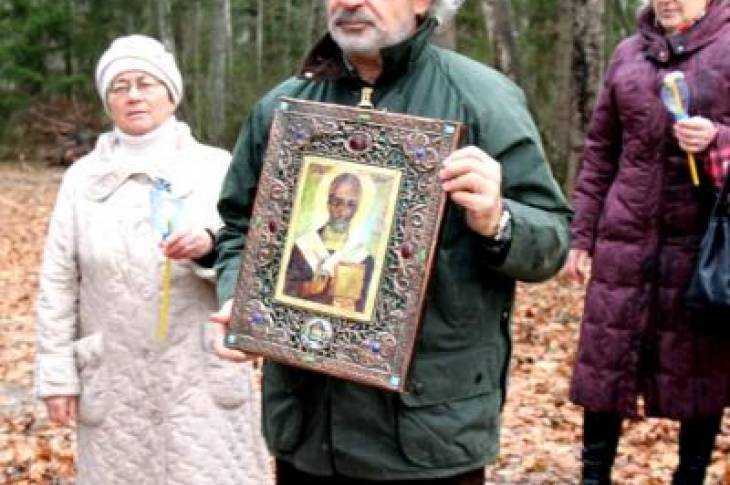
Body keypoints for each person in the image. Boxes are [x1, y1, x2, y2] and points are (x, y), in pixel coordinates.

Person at [210, 0, 571, 483]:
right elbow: (239, 226)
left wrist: (497, 219)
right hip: (307, 430)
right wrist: (239, 296)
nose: (350, 3)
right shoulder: (285, 107)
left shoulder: (481, 99)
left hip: (427, 434)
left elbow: (551, 239)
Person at [35, 35, 271, 484]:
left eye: (145, 83)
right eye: (119, 86)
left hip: (202, 379)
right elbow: (58, 283)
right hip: (114, 380)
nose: (133, 95)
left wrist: (208, 245)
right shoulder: (81, 180)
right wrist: (57, 377)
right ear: (107, 100)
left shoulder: (216, 166)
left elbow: (256, 257)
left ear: (171, 93)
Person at [565, 1, 730, 483]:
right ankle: (593, 476)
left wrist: (719, 138)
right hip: (625, 240)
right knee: (605, 364)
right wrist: (582, 235)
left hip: (703, 246)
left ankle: (691, 477)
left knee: (701, 374)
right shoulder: (627, 53)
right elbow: (601, 151)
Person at [283, 172, 375, 313]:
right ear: (327, 203)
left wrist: (351, 307)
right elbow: (283, 289)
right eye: (337, 202)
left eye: (350, 205)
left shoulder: (364, 259)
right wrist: (308, 288)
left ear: (357, 209)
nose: (342, 211)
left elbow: (366, 307)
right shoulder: (301, 247)